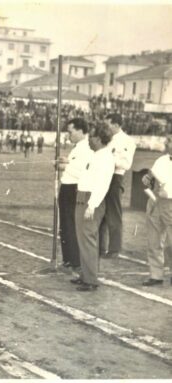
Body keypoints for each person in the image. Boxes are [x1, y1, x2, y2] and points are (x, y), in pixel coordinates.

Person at [71, 122, 115, 291]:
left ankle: (90, 280)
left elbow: (102, 185)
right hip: (83, 198)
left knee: (88, 240)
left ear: (98, 138)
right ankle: (85, 274)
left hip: (91, 201)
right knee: (83, 239)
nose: (88, 140)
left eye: (91, 137)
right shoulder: (96, 155)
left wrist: (92, 205)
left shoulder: (105, 158)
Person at [99, 113, 136, 258]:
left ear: (116, 124)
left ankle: (114, 249)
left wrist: (109, 160)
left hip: (115, 177)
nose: (106, 128)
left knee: (113, 213)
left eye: (108, 125)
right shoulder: (106, 140)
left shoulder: (127, 141)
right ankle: (100, 248)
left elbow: (126, 164)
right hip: (102, 176)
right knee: (100, 212)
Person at [57, 118, 93, 270]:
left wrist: (65, 165)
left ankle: (75, 260)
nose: (68, 135)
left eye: (70, 131)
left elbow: (82, 172)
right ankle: (69, 258)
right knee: (65, 225)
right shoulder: (77, 148)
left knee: (71, 224)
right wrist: (65, 162)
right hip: (66, 187)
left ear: (80, 131)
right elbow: (72, 165)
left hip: (73, 188)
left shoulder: (86, 150)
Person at [141, 134, 172, 286]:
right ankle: (156, 275)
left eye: (170, 142)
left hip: (171, 203)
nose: (167, 144)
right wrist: (147, 179)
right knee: (154, 240)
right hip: (155, 201)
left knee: (170, 243)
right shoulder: (162, 160)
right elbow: (151, 176)